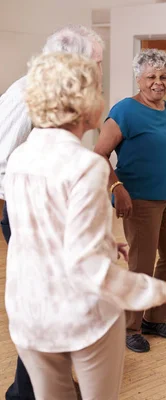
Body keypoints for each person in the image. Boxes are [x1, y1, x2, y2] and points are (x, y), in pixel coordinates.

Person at [5, 52, 166, 400]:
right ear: (84, 102)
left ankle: (150, 320)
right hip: (79, 317)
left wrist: (105, 243)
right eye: (97, 87)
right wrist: (164, 291)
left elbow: (41, 236)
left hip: (29, 314)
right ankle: (134, 324)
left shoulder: (18, 157)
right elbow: (89, 268)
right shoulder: (85, 165)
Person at [0, 24, 104, 400]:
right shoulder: (25, 95)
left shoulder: (58, 96)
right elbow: (2, 163)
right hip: (31, 215)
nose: (99, 72)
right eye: (96, 63)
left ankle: (45, 384)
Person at [94, 48, 166, 353]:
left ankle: (155, 317)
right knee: (141, 262)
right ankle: (131, 326)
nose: (158, 82)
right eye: (151, 77)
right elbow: (99, 154)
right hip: (139, 199)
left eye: (163, 76)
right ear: (138, 79)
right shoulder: (125, 111)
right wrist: (116, 187)